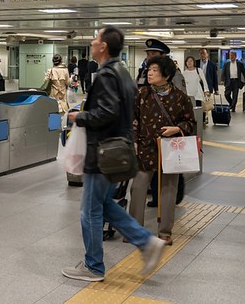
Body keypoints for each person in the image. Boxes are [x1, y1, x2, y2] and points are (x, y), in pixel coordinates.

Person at [62, 25, 165, 282]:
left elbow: (106, 113)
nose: (92, 41)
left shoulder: (107, 75)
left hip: (103, 153)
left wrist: (79, 116)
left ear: (104, 46)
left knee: (90, 210)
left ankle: (94, 266)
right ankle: (146, 242)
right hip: (118, 151)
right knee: (104, 205)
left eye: (96, 38)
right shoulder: (123, 73)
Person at [131, 55, 196, 246]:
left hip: (171, 149)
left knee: (169, 189)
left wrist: (177, 129)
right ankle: (134, 230)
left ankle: (165, 232)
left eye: (154, 70)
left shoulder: (180, 98)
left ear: (166, 75)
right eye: (149, 70)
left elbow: (190, 122)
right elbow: (133, 120)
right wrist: (133, 141)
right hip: (145, 147)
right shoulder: (142, 94)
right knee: (138, 187)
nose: (149, 73)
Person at [196, 48, 219, 123]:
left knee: (206, 102)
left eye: (204, 53)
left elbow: (215, 78)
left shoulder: (212, 65)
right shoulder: (196, 63)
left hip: (208, 87)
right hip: (197, 87)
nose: (203, 55)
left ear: (207, 54)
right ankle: (201, 117)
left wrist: (216, 89)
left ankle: (205, 116)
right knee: (199, 102)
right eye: (201, 53)